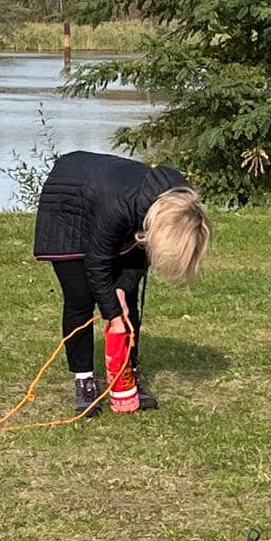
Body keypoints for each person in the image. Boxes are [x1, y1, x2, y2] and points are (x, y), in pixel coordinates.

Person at [32, 150, 212, 415]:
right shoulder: (117, 205)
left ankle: (127, 374)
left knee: (127, 300)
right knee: (80, 298)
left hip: (112, 204)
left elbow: (141, 258)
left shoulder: (178, 203)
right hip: (68, 204)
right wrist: (112, 315)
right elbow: (97, 264)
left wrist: (120, 291)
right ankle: (84, 380)